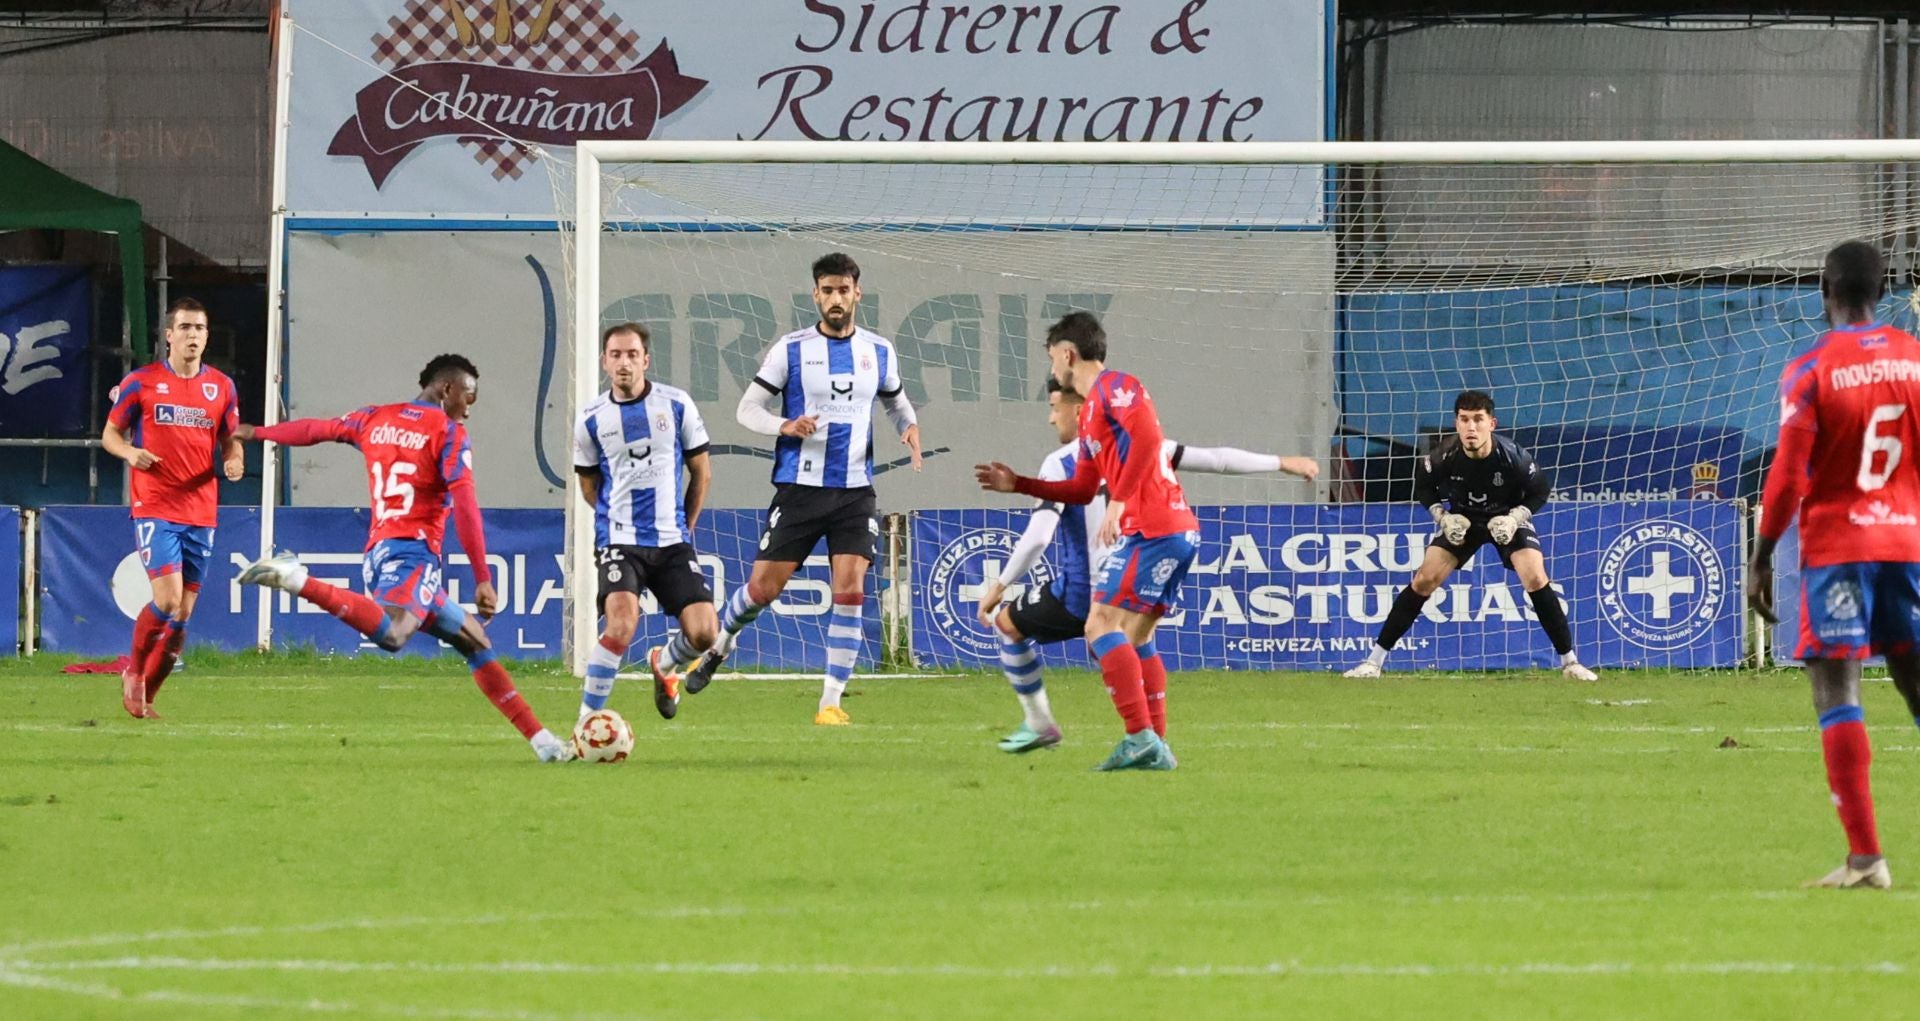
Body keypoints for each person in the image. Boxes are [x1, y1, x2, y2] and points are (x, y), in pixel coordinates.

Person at [233, 354, 574, 762]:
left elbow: (315, 430)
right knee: (395, 633)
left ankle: (543, 743)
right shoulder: (447, 433)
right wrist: (482, 576)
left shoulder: (375, 418)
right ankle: (295, 578)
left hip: (379, 553)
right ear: (447, 389)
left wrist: (257, 432)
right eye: (468, 398)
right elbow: (465, 505)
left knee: (474, 639)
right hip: (412, 555)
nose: (468, 410)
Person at [977, 377, 1319, 752]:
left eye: (1054, 408)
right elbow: (1217, 459)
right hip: (1131, 572)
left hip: (1081, 591)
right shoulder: (1145, 447)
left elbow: (1039, 536)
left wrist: (1000, 584)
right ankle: (1154, 739)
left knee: (1007, 625)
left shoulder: (1061, 462)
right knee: (1139, 640)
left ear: (1079, 410)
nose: (1050, 418)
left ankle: (1043, 723)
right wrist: (1283, 462)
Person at [681, 252, 922, 725]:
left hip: (856, 492)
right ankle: (720, 646)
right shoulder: (789, 349)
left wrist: (909, 428)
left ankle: (829, 703)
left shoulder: (879, 351)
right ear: (815, 294)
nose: (836, 298)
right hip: (800, 490)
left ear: (858, 293)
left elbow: (897, 402)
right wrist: (784, 424)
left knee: (850, 588)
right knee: (761, 591)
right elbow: (746, 409)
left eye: (843, 290)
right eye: (827, 291)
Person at [1749, 240, 1920, 890]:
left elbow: (1789, 474)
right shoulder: (1914, 360)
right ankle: (1864, 859)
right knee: (1915, 680)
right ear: (1882, 291)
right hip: (1905, 544)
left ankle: (1866, 857)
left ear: (1826, 288)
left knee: (1836, 686)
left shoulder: (1811, 367)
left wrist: (1762, 554)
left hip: (1838, 550)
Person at [975, 311, 1195, 771]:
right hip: (1173, 529)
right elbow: (1078, 489)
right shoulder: (1094, 412)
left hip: (1151, 526)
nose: (1052, 370)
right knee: (1134, 638)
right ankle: (1156, 746)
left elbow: (1150, 435)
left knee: (1099, 627)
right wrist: (1020, 484)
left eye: (1053, 358)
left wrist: (1120, 500)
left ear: (1068, 353)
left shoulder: (1118, 386)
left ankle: (1140, 738)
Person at [1341, 390, 1597, 681]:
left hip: (1505, 517)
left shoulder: (1513, 457)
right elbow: (1424, 487)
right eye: (1464, 420)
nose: (1471, 427)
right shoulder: (1442, 457)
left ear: (1492, 423)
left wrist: (1515, 518)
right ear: (1457, 422)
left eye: (1478, 419)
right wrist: (1442, 516)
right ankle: (1373, 663)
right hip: (1462, 520)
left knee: (1535, 577)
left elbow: (1540, 491)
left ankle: (1570, 663)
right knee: (1424, 579)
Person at [100, 297, 243, 719]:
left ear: (207, 335)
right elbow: (111, 434)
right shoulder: (141, 382)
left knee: (182, 614)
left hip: (201, 510)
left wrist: (234, 459)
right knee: (167, 598)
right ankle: (134, 672)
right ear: (168, 335)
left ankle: (148, 699)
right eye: (184, 328)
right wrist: (129, 453)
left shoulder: (222, 386)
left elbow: (229, 438)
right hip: (155, 505)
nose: (192, 336)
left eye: (199, 328)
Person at [572, 322, 717, 722]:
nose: (624, 363)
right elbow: (589, 486)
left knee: (705, 633)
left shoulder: (676, 404)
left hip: (672, 542)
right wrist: (610, 521)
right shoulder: (590, 419)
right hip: (619, 541)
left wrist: (685, 527)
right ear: (604, 362)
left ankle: (665, 664)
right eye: (616, 355)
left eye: (632, 355)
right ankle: (586, 723)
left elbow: (701, 473)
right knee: (621, 623)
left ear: (646, 360)